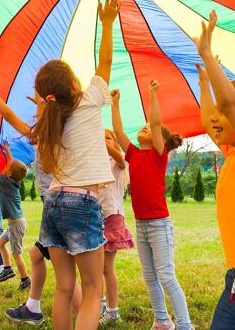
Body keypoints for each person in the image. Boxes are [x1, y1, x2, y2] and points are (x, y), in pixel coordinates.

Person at [29, 0, 119, 330]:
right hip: (82, 203)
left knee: (65, 288)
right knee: (93, 289)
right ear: (73, 83)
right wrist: (107, 24)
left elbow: (50, 169)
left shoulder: (51, 121)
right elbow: (106, 62)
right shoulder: (91, 100)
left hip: (54, 201)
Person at [0, 71, 82, 326]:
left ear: (48, 113)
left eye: (38, 110)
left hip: (57, 207)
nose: (34, 115)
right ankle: (34, 308)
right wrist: (41, 103)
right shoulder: (57, 131)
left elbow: (10, 117)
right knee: (37, 256)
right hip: (59, 206)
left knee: (64, 275)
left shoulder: (47, 136)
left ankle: (86, 313)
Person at [111, 82, 194, 330]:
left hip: (159, 225)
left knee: (166, 275)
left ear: (161, 141)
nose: (145, 128)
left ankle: (185, 325)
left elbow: (156, 123)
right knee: (150, 276)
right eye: (144, 127)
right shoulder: (134, 154)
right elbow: (118, 131)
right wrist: (115, 104)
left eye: (148, 128)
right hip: (142, 224)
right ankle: (161, 320)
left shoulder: (159, 154)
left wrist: (152, 95)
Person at [194, 10, 235, 330]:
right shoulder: (232, 151)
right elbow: (210, 117)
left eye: (222, 115)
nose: (215, 119)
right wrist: (204, 83)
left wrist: (208, 55)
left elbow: (229, 106)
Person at [0, 143, 31, 290]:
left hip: (16, 224)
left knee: (17, 254)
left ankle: (25, 279)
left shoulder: (5, 182)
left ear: (8, 174)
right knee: (0, 243)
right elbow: (12, 165)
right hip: (15, 223)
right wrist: (7, 150)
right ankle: (7, 268)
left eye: (7, 166)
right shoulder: (13, 181)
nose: (5, 166)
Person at [99, 129, 134, 325]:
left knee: (106, 267)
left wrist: (100, 142)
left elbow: (119, 157)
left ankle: (113, 311)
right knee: (95, 268)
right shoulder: (95, 165)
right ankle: (101, 303)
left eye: (108, 138)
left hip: (112, 217)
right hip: (95, 218)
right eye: (101, 137)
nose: (104, 141)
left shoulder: (118, 163)